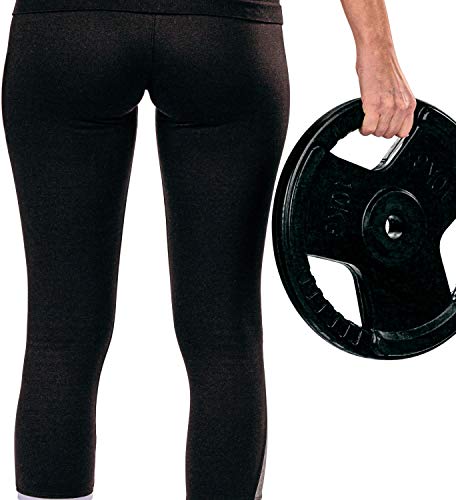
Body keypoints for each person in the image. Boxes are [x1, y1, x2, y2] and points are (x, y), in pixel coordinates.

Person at [1, 0, 415, 498]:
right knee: (223, 335)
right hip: (224, 32)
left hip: (66, 30)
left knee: (60, 334)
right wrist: (375, 46)